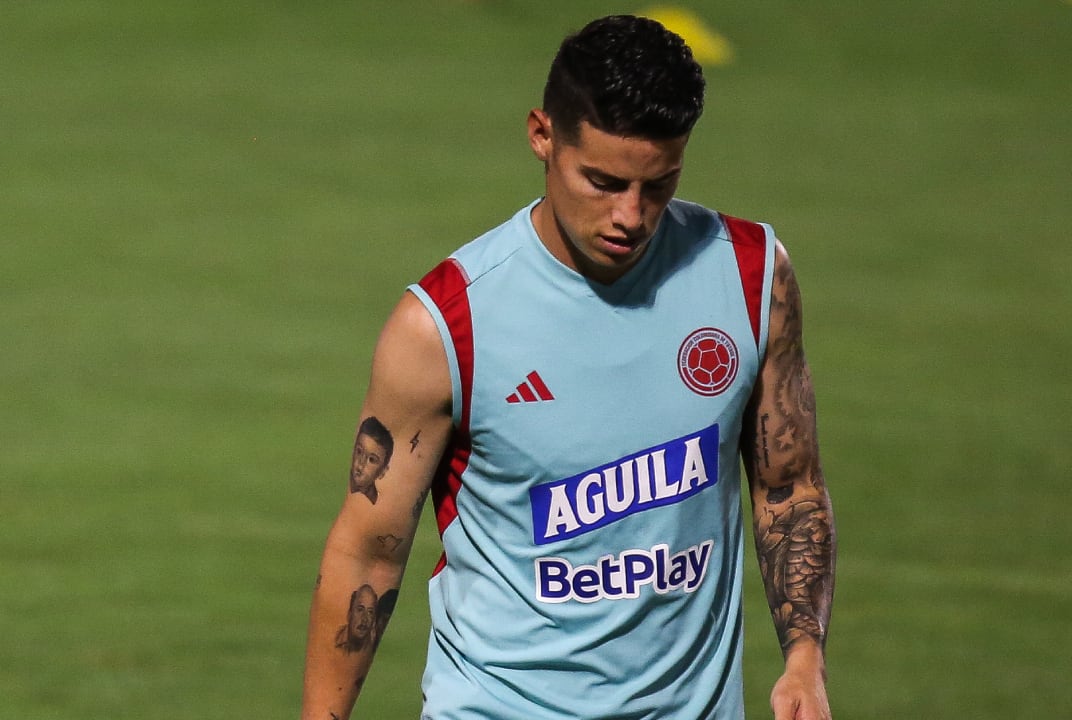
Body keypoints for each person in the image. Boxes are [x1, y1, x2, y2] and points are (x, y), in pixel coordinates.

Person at [303, 13, 836, 720]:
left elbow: (789, 484)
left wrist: (804, 660)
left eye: (659, 184)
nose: (630, 216)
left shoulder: (748, 277)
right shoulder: (445, 325)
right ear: (541, 136)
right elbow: (369, 548)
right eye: (603, 181)